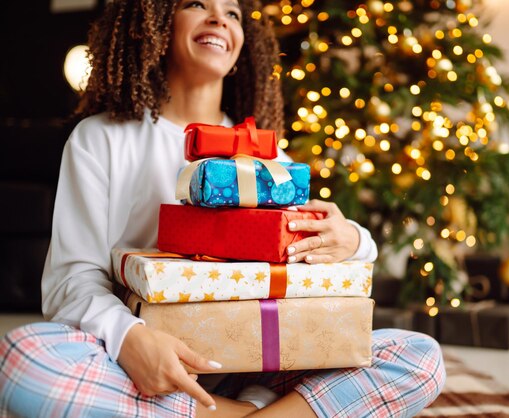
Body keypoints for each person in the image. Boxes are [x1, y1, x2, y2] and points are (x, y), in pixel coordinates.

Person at [0, 0, 445, 417]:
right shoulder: (101, 139)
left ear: (243, 41)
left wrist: (352, 238)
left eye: (231, 12)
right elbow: (72, 280)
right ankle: (260, 412)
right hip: (151, 364)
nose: (218, 19)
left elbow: (331, 248)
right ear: (153, 24)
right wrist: (131, 339)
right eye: (196, 4)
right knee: (22, 359)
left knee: (420, 359)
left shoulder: (267, 160)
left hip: (262, 359)